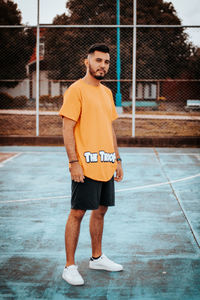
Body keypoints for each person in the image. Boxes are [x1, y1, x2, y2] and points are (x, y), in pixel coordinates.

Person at [59, 43, 124, 286]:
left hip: (106, 163)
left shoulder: (106, 93)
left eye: (106, 62)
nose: (102, 65)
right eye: (98, 60)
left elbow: (110, 128)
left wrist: (117, 159)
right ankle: (70, 266)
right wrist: (73, 162)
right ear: (86, 61)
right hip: (85, 165)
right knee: (77, 212)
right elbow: (67, 128)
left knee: (101, 210)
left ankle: (96, 257)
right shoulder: (76, 90)